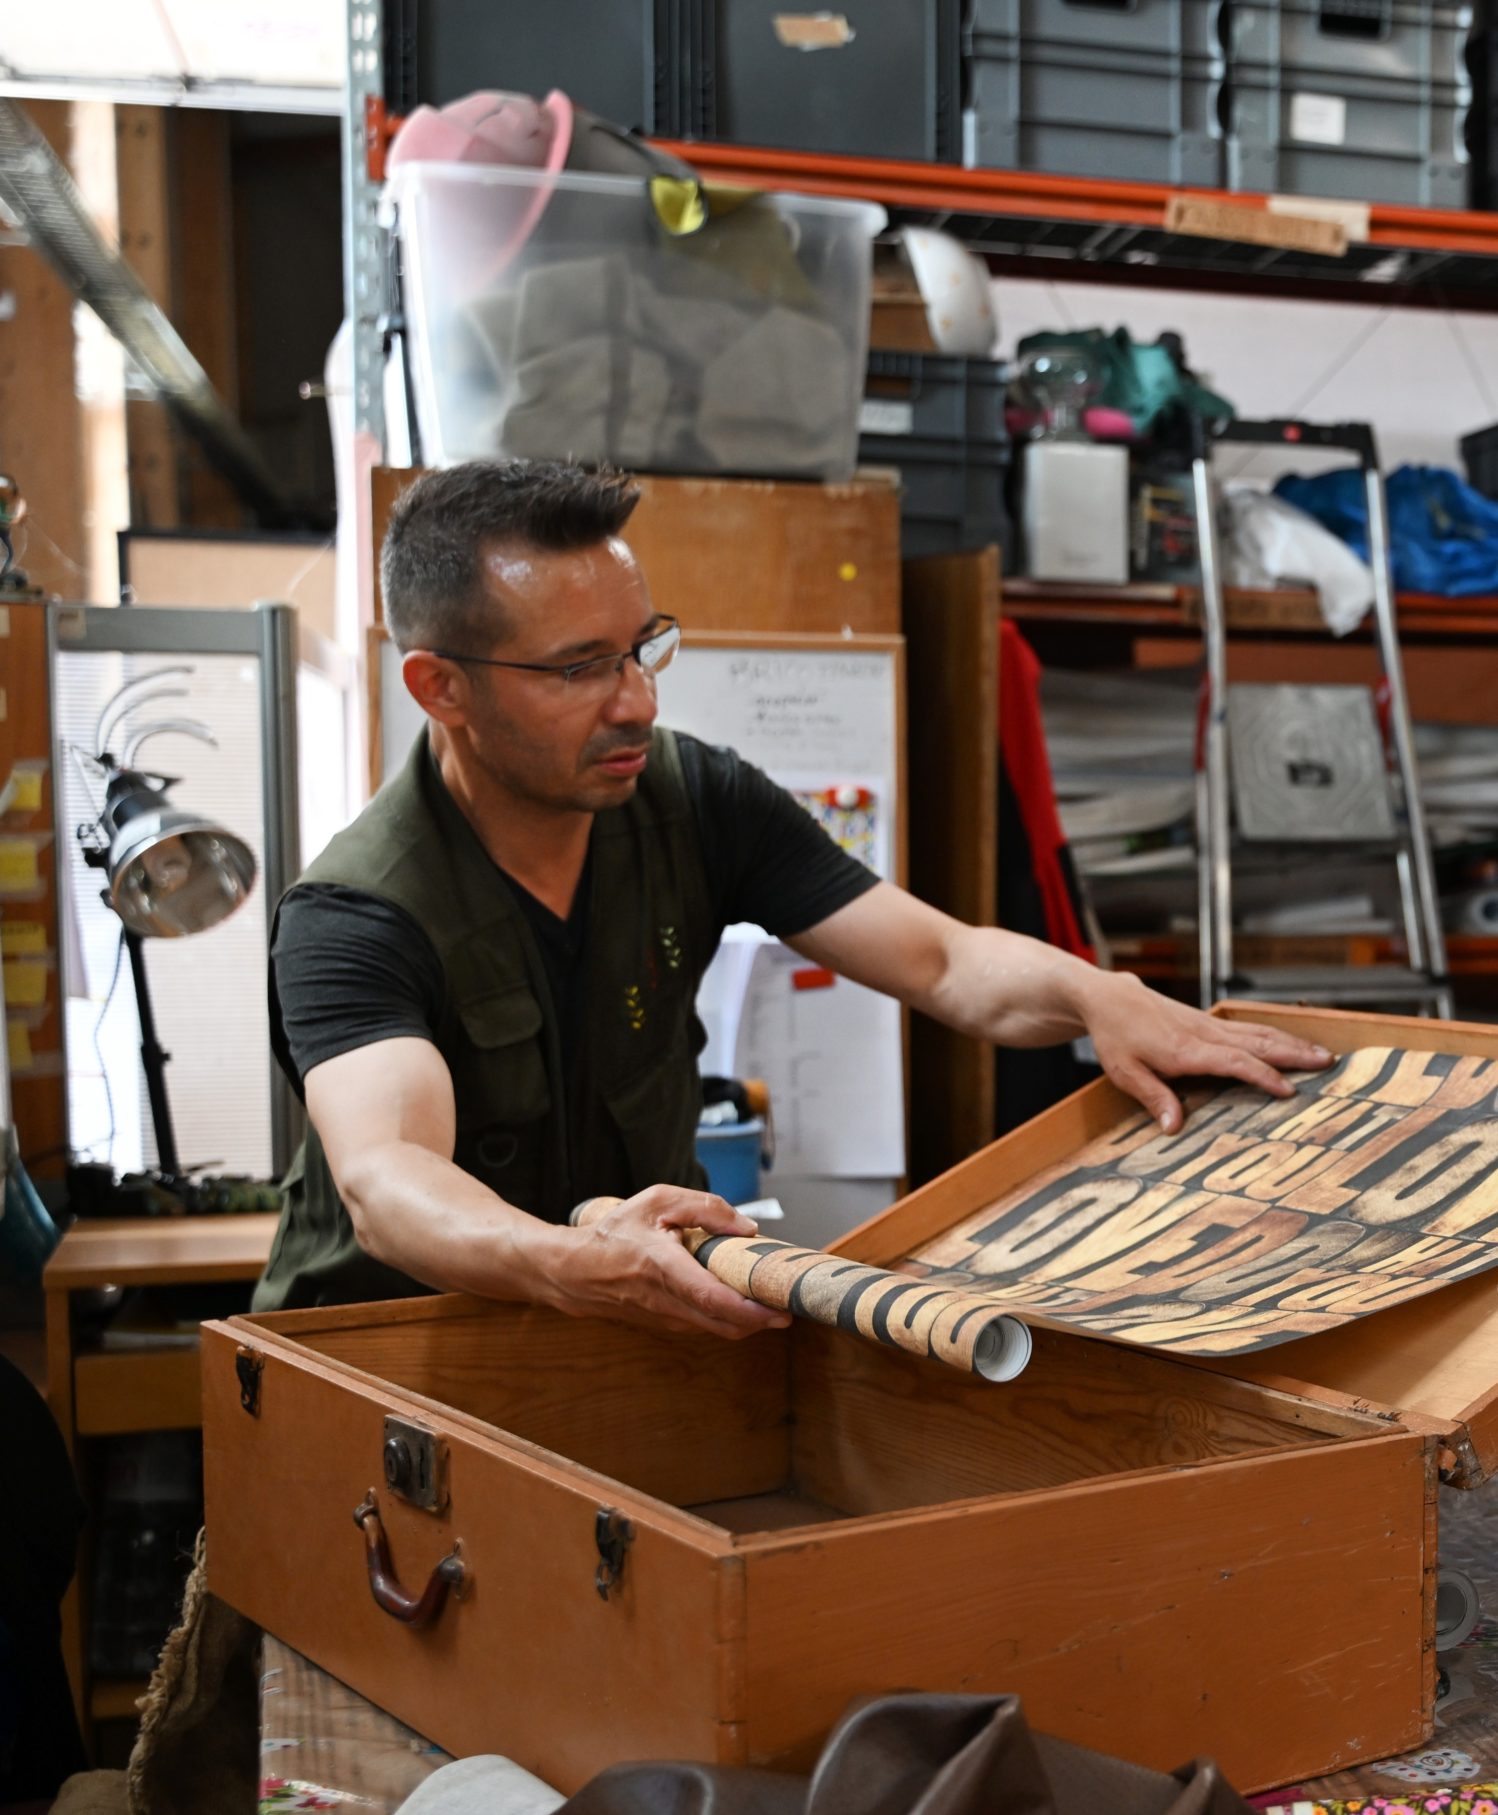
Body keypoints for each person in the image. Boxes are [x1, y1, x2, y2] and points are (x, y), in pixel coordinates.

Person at [255, 459, 1331, 1334]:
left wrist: (1101, 996)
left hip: (619, 1341)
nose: (637, 698)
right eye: (579, 666)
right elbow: (386, 1177)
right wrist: (566, 1259)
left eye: (641, 646)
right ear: (439, 686)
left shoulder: (694, 799)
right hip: (384, 1359)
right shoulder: (355, 913)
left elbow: (944, 962)